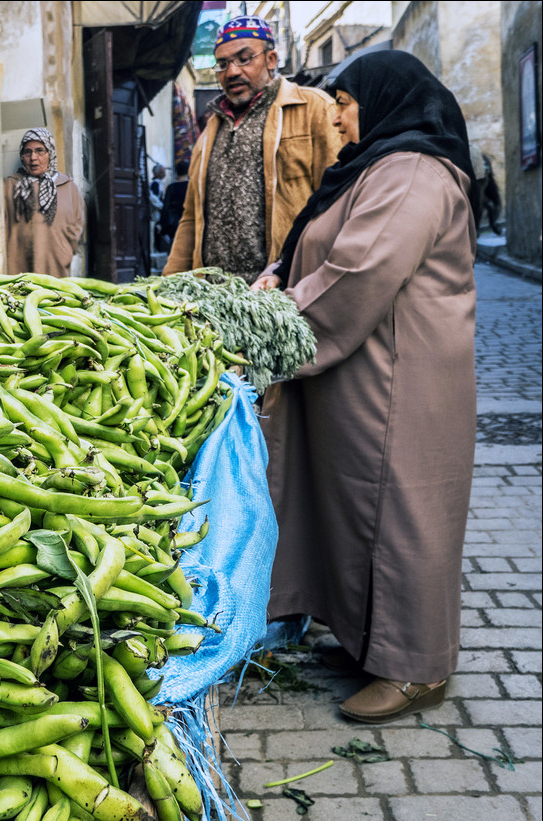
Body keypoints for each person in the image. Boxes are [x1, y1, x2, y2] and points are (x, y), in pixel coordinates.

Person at [253, 50, 478, 724]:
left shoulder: (410, 172)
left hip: (398, 383)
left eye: (345, 105)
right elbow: (322, 241)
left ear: (383, 101)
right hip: (366, 376)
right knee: (355, 509)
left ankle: (414, 666)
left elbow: (359, 271)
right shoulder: (376, 167)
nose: (337, 118)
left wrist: (269, 326)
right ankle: (366, 641)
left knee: (398, 516)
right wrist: (276, 275)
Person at [163, 15, 343, 285]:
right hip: (216, 301)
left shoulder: (315, 109)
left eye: (244, 59)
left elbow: (338, 203)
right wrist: (169, 284)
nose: (232, 71)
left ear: (271, 60)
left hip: (284, 292)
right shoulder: (209, 132)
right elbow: (191, 219)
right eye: (222, 64)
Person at [2, 128, 84, 276]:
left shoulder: (68, 186)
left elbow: (77, 223)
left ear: (50, 153)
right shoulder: (10, 186)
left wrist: (66, 250)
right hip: (20, 267)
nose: (33, 157)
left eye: (40, 151)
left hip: (57, 265)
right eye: (28, 152)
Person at [157, 160, 190, 251]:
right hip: (190, 222)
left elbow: (165, 208)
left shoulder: (171, 187)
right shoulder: (192, 186)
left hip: (174, 224)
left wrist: (162, 226)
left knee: (175, 250)